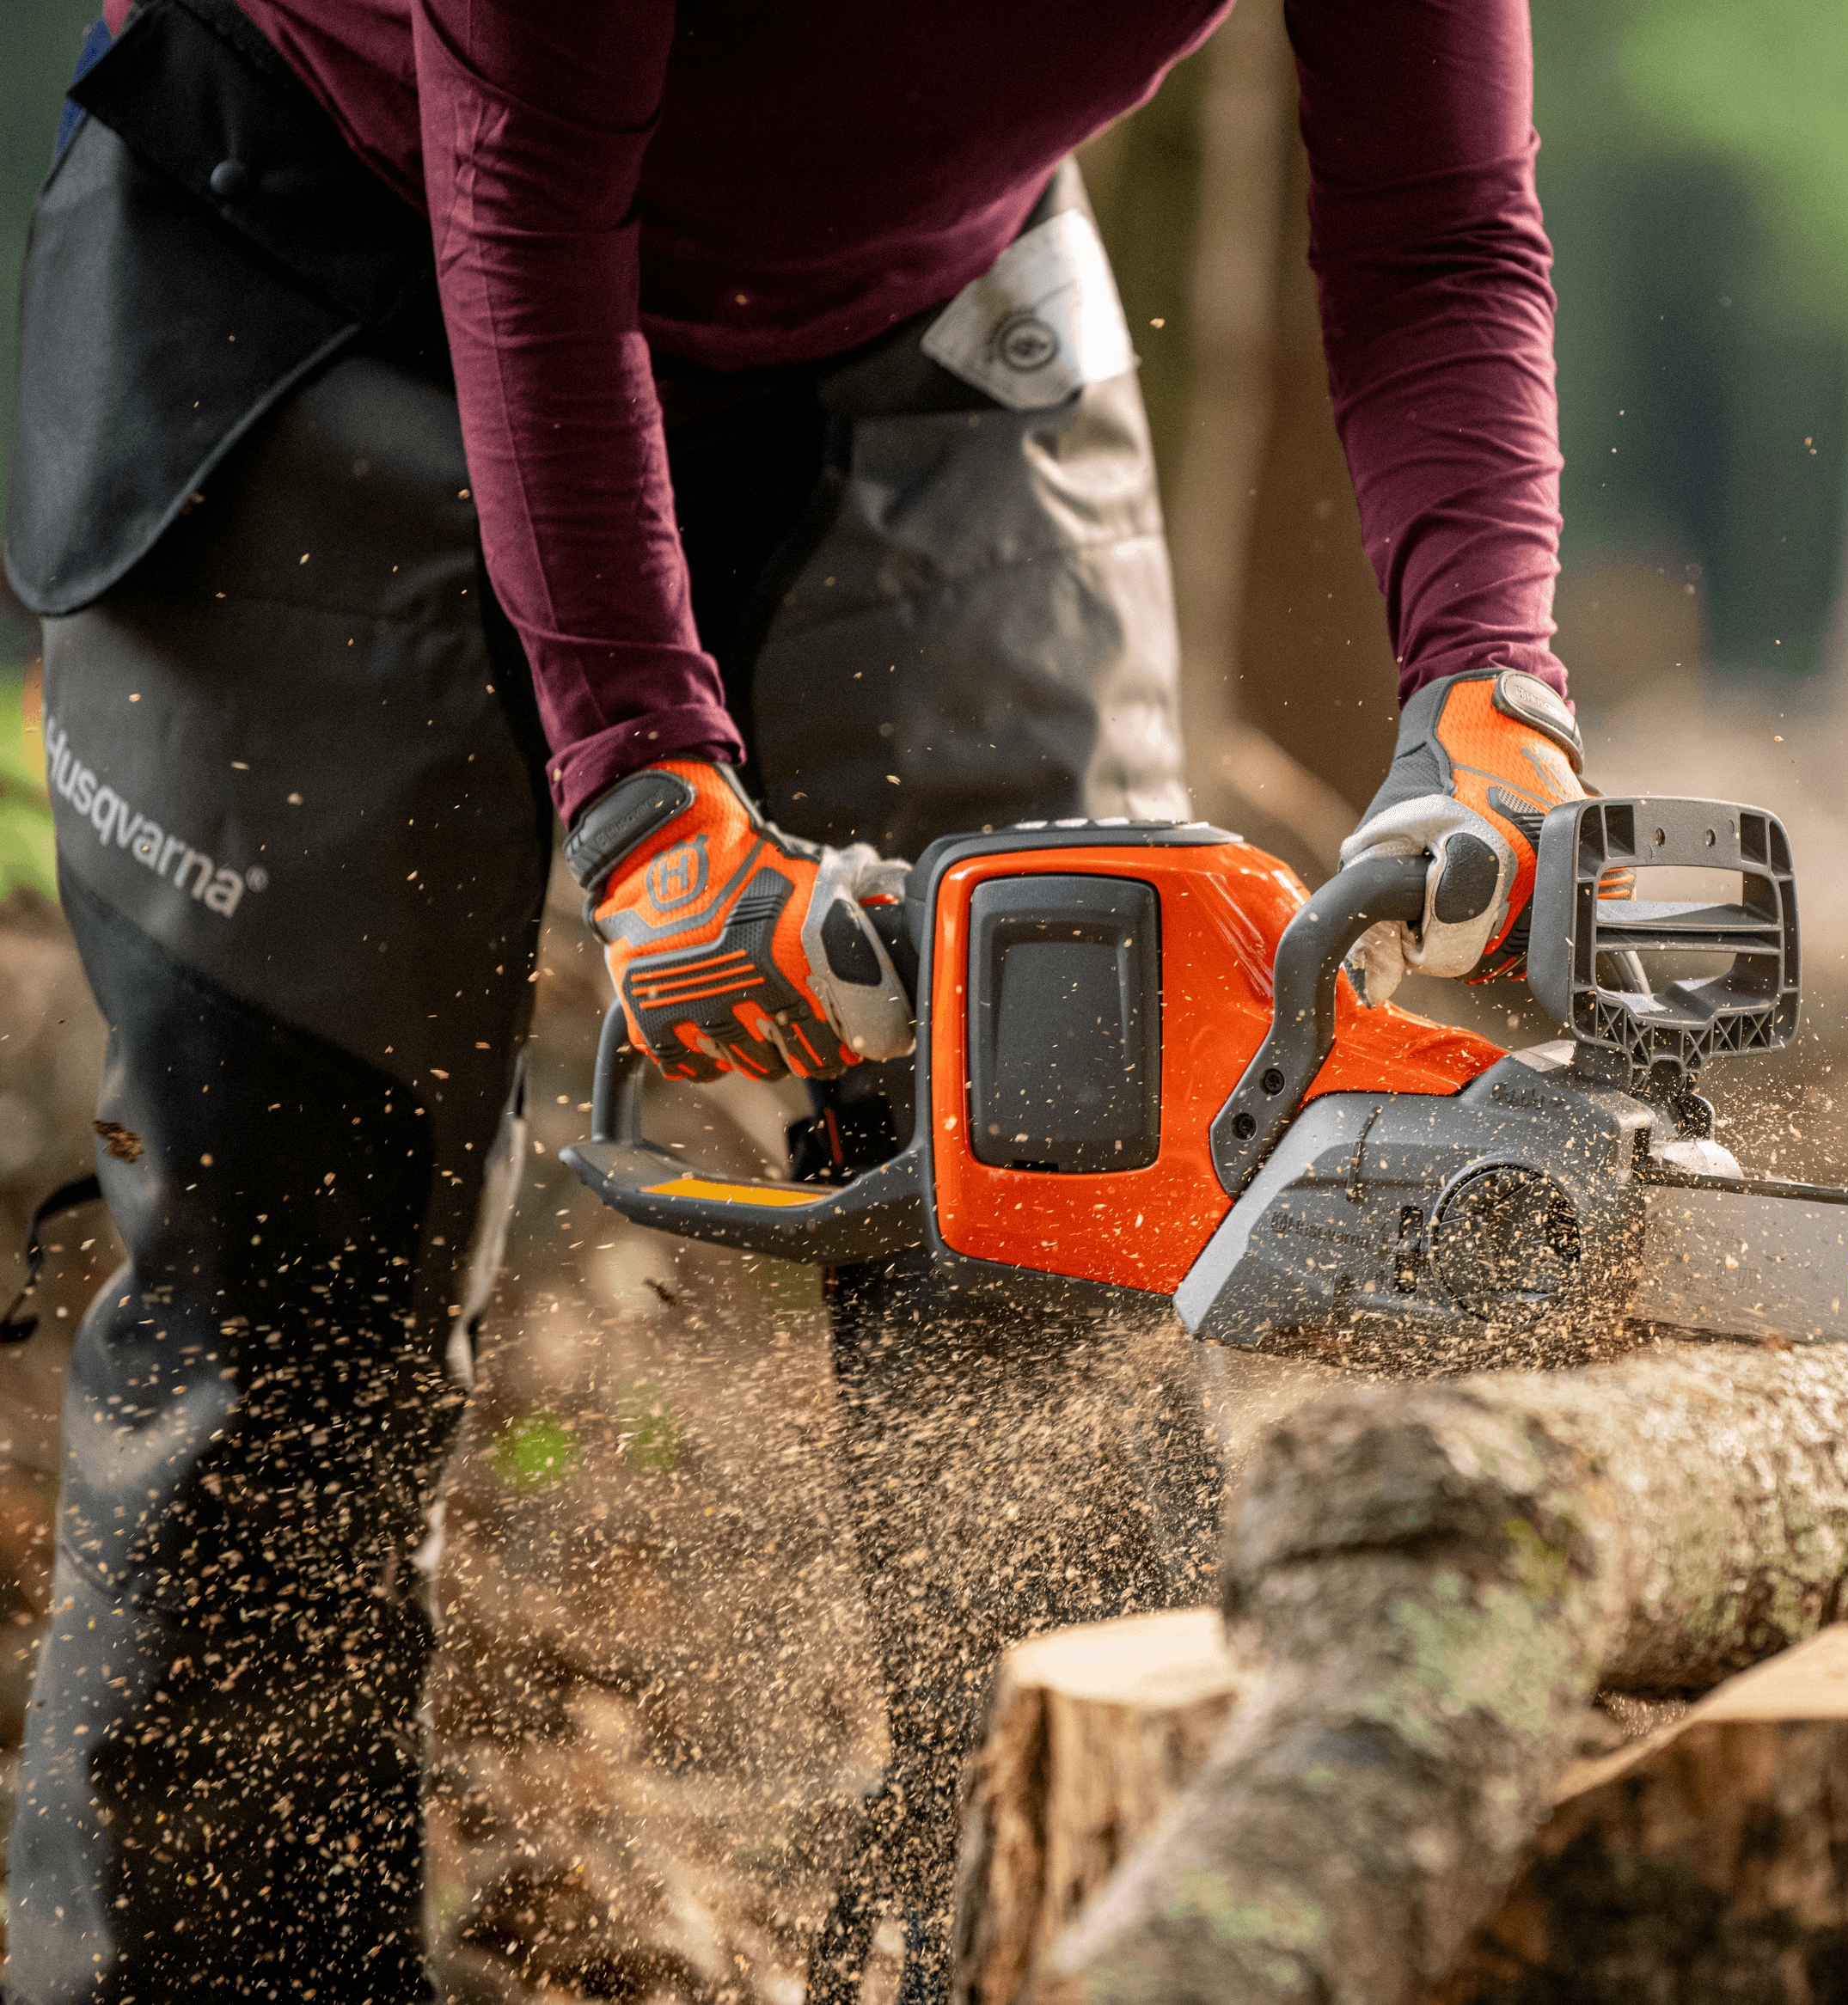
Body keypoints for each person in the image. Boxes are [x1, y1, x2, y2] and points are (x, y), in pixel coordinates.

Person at [0, 0, 1600, 1996]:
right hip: (325, 256)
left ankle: (1061, 1952)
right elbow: (531, 191)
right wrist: (647, 777)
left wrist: (1488, 681)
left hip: (926, 322)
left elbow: (1439, 222)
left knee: (1068, 1221)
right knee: (285, 1298)